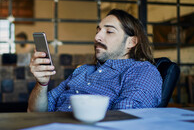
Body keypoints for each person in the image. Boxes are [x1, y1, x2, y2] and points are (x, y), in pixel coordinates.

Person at [28, 9, 162, 112]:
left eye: (109, 32)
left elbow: (125, 120)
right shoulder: (82, 71)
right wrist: (42, 84)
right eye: (98, 31)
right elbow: (36, 112)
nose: (97, 37)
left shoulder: (142, 71)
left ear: (131, 42)